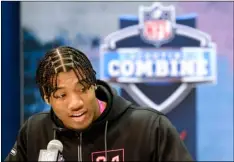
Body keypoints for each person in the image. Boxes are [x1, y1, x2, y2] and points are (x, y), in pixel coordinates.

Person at [5, 46, 193, 161]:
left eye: (83, 89)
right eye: (62, 95)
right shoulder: (34, 132)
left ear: (94, 85)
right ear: (47, 98)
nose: (76, 103)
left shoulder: (150, 127)